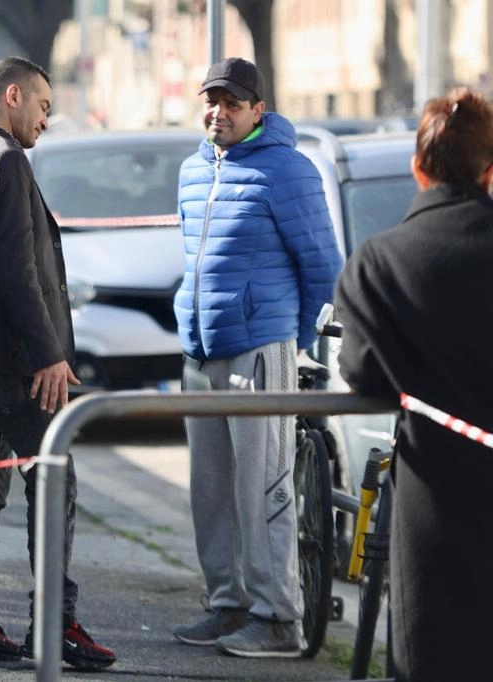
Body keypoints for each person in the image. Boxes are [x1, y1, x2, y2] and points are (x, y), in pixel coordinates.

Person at [0, 56, 115, 670]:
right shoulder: (5, 160)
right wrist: (48, 355)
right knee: (54, 479)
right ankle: (55, 626)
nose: (47, 120)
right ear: (12, 96)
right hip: (15, 362)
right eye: (42, 106)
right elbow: (17, 271)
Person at [171, 57, 343, 657]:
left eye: (231, 103)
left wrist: (299, 346)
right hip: (201, 351)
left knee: (263, 490)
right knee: (210, 490)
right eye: (211, 100)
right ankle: (229, 604)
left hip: (260, 350)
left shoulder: (288, 171)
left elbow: (323, 269)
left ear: (256, 111)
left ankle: (279, 617)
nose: (218, 111)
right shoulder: (194, 168)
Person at [334, 86, 493, 682]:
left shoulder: (380, 261)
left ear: (418, 170)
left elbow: (362, 369)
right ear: (490, 171)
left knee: (436, 653)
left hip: (437, 493)